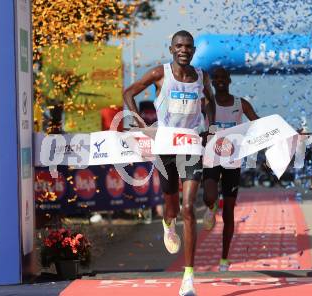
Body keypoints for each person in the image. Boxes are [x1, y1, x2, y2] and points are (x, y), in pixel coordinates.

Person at [123, 30, 216, 296]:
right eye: (179, 46)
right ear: (171, 48)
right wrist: (141, 123)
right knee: (172, 203)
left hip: (190, 144)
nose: (184, 50)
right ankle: (167, 224)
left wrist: (208, 125)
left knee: (188, 207)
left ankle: (188, 277)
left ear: (194, 50)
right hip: (165, 145)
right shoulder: (159, 73)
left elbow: (208, 100)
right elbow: (128, 93)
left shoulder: (201, 76)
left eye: (188, 46)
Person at [202, 66, 259, 271]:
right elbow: (187, 119)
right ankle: (210, 206)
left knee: (229, 212)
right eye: (215, 78)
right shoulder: (206, 103)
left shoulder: (240, 103)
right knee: (209, 196)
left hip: (232, 162)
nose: (219, 81)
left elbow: (260, 125)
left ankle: (224, 258)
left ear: (229, 80)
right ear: (211, 82)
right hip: (211, 158)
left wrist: (288, 132)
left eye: (222, 77)